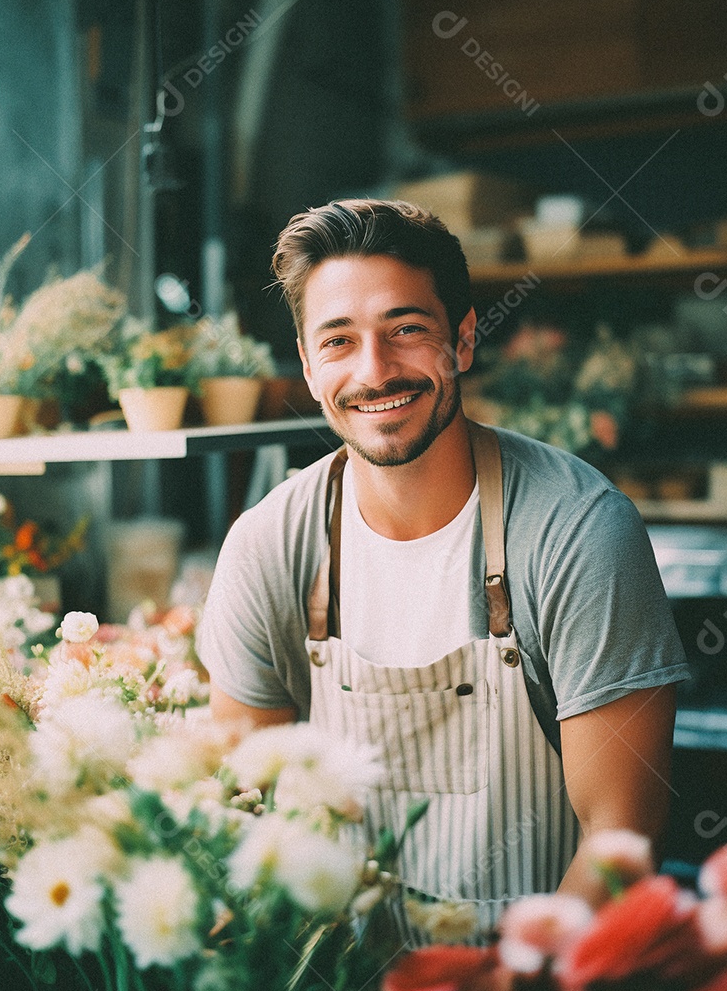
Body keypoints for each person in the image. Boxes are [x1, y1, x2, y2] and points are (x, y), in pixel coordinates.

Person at [197, 198, 688, 941]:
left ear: (462, 339)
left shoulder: (578, 532)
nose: (374, 371)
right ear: (307, 364)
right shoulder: (268, 545)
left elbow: (621, 839)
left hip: (534, 973)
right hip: (334, 973)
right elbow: (247, 816)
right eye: (339, 341)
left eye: (406, 330)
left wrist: (510, 983)